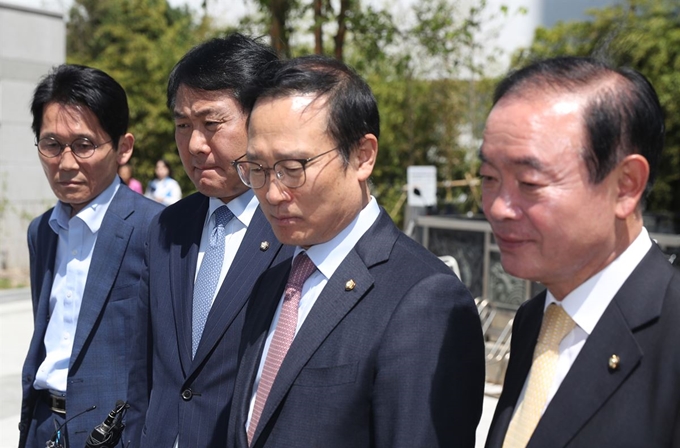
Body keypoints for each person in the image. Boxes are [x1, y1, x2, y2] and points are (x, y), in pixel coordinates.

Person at [227, 55, 485, 448]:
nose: (273, 192)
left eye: (293, 168)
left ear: (363, 155)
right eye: (257, 168)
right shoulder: (274, 277)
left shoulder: (423, 299)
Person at [481, 56, 680, 447]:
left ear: (625, 185)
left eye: (530, 182)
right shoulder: (533, 322)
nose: (499, 207)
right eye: (489, 178)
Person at [125, 34, 293, 448]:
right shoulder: (167, 228)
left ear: (259, 118)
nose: (195, 145)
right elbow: (143, 367)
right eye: (183, 125)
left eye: (212, 123)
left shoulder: (293, 234)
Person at [18, 64, 163, 448]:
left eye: (84, 145)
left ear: (123, 147)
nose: (66, 164)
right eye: (51, 145)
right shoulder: (41, 231)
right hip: (43, 426)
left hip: (113, 434)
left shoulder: (156, 229)